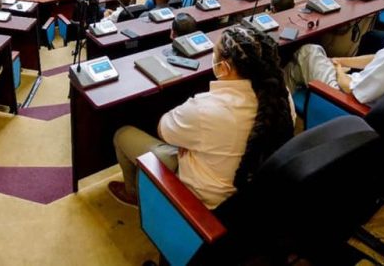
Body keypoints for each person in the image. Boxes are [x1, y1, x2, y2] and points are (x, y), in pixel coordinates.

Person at [110, 26, 294, 208]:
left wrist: (188, 141)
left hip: (205, 200)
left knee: (122, 134)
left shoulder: (204, 109)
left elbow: (163, 129)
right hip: (247, 191)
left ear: (224, 68)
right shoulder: (281, 96)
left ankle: (133, 193)